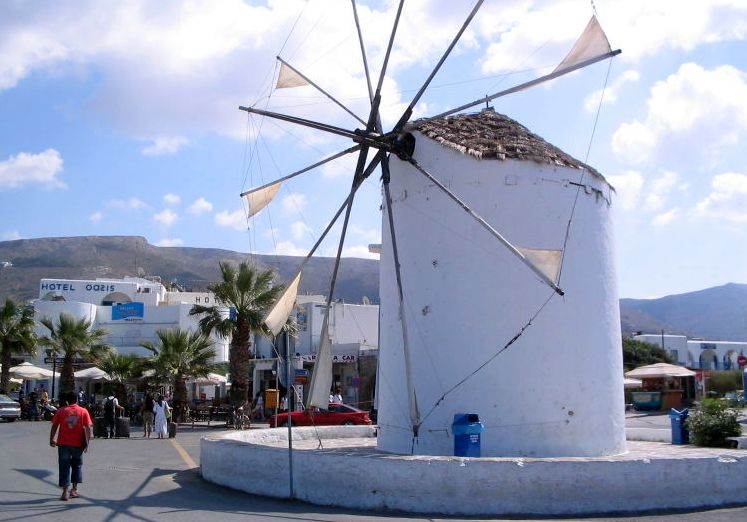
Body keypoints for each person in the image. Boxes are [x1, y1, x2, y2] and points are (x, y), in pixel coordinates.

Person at [49, 391, 93, 501]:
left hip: (63, 444)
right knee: (77, 465)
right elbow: (88, 428)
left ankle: (65, 492)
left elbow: (54, 425)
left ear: (67, 401)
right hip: (78, 444)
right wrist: (87, 443)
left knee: (64, 466)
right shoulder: (83, 411)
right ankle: (74, 490)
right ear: (77, 400)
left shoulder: (61, 411)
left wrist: (52, 439)